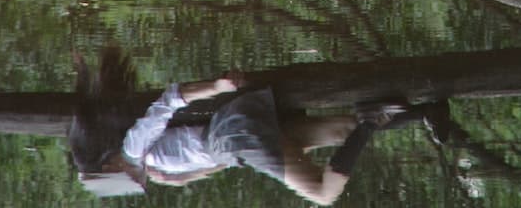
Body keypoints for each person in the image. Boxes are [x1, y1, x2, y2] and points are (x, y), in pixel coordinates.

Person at [69, 48, 442, 204]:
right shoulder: (152, 164)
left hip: (235, 137)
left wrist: (216, 86)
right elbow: (204, 158)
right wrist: (186, 178)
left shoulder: (134, 148)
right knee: (342, 132)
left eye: (128, 178)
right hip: (234, 142)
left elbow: (168, 102)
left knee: (323, 193)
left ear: (109, 164)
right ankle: (424, 113)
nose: (139, 180)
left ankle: (373, 118)